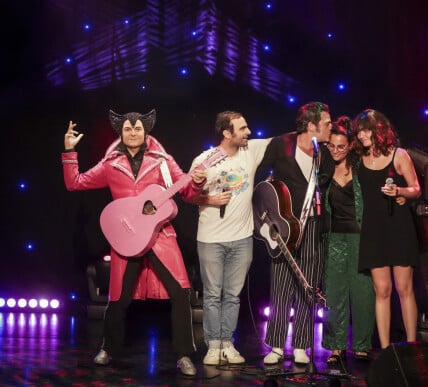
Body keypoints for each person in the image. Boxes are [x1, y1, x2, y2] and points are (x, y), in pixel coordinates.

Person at [61, 109, 205, 377]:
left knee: (181, 292)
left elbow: (185, 191)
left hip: (159, 236)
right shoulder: (110, 164)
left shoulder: (163, 161)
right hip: (127, 237)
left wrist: (196, 182)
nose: (133, 133)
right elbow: (75, 183)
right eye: (127, 129)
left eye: (137, 128)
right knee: (118, 297)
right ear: (121, 133)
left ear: (146, 131)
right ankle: (108, 348)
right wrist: (70, 152)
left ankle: (184, 354)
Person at [189, 111, 271, 366]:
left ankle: (228, 343)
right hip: (211, 238)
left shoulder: (251, 151)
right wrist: (209, 199)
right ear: (227, 133)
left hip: (242, 238)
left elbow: (282, 142)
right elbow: (187, 196)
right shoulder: (204, 161)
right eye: (243, 128)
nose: (249, 132)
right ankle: (213, 346)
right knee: (213, 294)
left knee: (233, 295)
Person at [258, 101, 335, 365]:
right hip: (284, 227)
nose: (330, 127)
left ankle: (302, 344)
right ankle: (277, 345)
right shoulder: (282, 144)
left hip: (313, 225)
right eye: (326, 123)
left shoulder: (323, 153)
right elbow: (261, 178)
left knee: (309, 283)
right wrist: (266, 215)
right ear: (311, 125)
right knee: (280, 285)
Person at [351, 108, 421, 349]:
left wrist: (400, 192)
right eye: (359, 132)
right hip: (373, 230)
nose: (361, 136)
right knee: (382, 290)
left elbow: (416, 189)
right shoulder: (358, 158)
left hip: (399, 227)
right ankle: (384, 349)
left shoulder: (399, 155)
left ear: (379, 130)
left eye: (366, 130)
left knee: (404, 288)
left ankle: (411, 347)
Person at [321, 115, 375, 366]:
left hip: (360, 236)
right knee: (334, 292)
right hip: (333, 237)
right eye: (331, 146)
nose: (335, 150)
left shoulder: (362, 166)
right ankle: (335, 346)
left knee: (363, 290)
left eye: (340, 146)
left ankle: (362, 344)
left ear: (350, 146)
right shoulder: (323, 167)